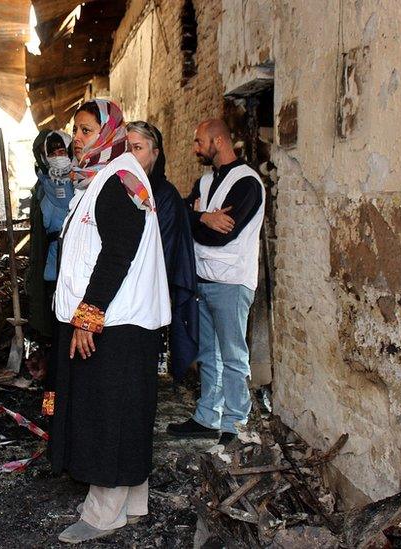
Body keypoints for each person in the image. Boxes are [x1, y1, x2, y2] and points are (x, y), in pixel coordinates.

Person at [50, 99, 170, 544]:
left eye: (85, 130)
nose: (77, 139)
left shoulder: (118, 179)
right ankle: (133, 500)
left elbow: (118, 251)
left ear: (108, 132)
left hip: (115, 323)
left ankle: (103, 514)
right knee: (126, 411)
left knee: (106, 415)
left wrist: (88, 314)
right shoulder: (107, 176)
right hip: (121, 321)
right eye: (76, 130)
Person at [166, 118, 265, 446]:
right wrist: (202, 217)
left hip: (232, 281)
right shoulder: (206, 182)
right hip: (202, 279)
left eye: (199, 142)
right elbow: (182, 217)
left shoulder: (247, 182)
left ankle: (236, 424)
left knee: (233, 355)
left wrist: (198, 220)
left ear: (218, 141)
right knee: (208, 352)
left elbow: (224, 235)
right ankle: (208, 417)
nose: (195, 148)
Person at [125, 121, 199, 380]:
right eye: (126, 148)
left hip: (144, 293)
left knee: (138, 368)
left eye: (137, 148)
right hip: (118, 290)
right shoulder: (121, 189)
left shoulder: (165, 197)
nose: (130, 155)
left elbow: (162, 255)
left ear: (155, 153)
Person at [25, 129, 74, 414]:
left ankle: (72, 408)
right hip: (53, 279)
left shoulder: (83, 183)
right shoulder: (42, 188)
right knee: (54, 349)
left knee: (73, 349)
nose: (59, 156)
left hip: (77, 280)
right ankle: (51, 409)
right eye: (52, 151)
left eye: (62, 150)